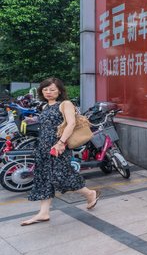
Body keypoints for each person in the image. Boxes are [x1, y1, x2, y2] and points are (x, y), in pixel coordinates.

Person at [21, 77, 99, 226]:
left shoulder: (65, 104)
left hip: (58, 146)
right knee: (44, 178)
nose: (48, 92)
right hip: (43, 147)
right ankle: (43, 213)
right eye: (45, 89)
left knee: (62, 176)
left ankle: (90, 193)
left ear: (59, 91)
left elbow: (71, 124)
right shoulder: (45, 106)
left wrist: (61, 142)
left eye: (52, 89)